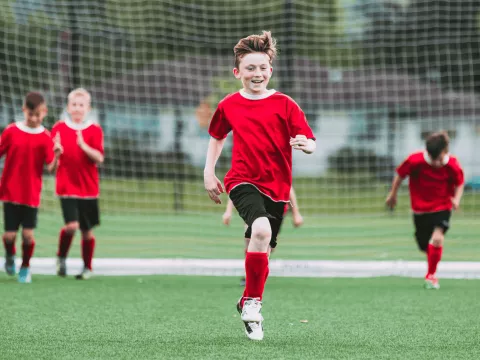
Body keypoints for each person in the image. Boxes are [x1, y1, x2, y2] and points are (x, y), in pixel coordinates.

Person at [204, 31, 316, 341]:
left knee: (264, 246)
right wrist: (208, 172)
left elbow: (309, 140)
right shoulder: (229, 105)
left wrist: (306, 145)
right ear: (237, 72)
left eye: (263, 67)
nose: (257, 74)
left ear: (271, 70)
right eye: (250, 68)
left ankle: (247, 299)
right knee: (262, 231)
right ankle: (253, 305)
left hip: (277, 187)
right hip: (241, 180)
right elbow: (216, 137)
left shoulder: (285, 104)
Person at [386, 131, 464, 290]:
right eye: (434, 159)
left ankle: (431, 276)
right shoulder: (414, 160)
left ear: (446, 151)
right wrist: (392, 194)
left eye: (440, 158)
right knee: (424, 246)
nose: (436, 163)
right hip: (420, 210)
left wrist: (456, 199)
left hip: (442, 206)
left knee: (437, 238)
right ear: (427, 152)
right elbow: (400, 175)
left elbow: (460, 183)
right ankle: (432, 257)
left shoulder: (452, 164)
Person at [1, 91, 62, 283]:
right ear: (24, 110)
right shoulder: (11, 131)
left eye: (38, 115)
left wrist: (58, 154)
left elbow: (51, 167)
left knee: (28, 235)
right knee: (9, 236)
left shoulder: (45, 137)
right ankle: (10, 255)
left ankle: (25, 267)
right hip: (10, 192)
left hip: (31, 194)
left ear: (44, 112)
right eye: (31, 114)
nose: (34, 118)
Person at [51, 88, 104, 280]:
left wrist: (83, 145)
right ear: (68, 106)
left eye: (81, 105)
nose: (77, 108)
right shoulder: (58, 128)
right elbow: (51, 164)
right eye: (74, 104)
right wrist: (56, 155)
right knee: (72, 226)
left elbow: (99, 157)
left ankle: (87, 267)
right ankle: (61, 258)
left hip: (88, 189)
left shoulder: (94, 129)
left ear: (88, 108)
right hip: (66, 187)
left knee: (87, 231)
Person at [222, 187, 304, 286]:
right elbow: (237, 185)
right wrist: (228, 211)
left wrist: (296, 213)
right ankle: (249, 275)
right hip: (253, 203)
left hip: (276, 205)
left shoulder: (279, 172)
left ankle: (259, 272)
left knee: (267, 245)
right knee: (250, 237)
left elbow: (288, 188)